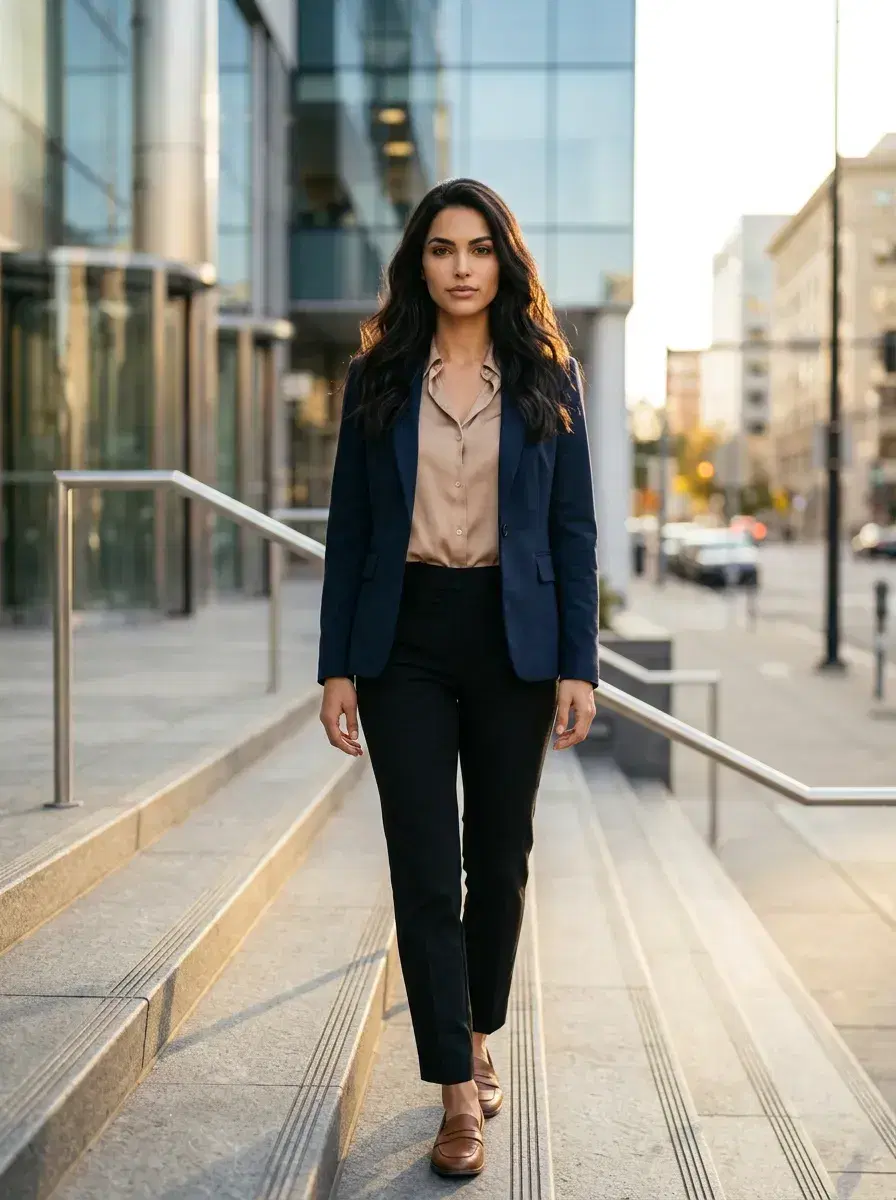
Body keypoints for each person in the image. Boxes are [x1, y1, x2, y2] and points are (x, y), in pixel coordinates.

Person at [317, 178, 599, 1178]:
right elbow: (350, 528)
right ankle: (453, 1092)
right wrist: (337, 667)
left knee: (501, 858)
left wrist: (579, 664)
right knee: (425, 864)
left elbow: (571, 531)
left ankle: (480, 1029)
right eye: (442, 249)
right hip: (403, 636)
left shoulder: (546, 375)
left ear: (502, 259)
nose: (462, 267)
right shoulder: (381, 375)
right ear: (419, 263)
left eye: (479, 248)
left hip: (511, 637)